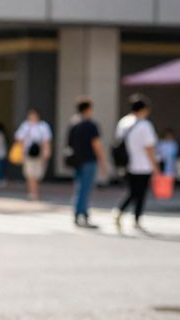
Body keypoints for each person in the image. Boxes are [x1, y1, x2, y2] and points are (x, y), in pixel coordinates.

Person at [113, 94, 158, 232]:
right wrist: (155, 166)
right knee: (140, 193)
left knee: (132, 191)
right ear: (143, 109)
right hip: (143, 165)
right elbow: (149, 148)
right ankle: (136, 218)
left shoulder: (123, 122)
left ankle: (120, 211)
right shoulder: (145, 125)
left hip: (127, 163)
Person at [66, 98, 104, 229]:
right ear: (88, 109)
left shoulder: (73, 123)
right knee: (85, 189)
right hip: (89, 160)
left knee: (79, 188)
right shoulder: (90, 124)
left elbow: (68, 144)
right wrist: (103, 161)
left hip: (76, 160)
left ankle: (81, 214)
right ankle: (81, 215)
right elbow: (97, 145)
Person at [14, 109, 52, 201]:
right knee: (30, 174)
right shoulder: (25, 126)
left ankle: (34, 191)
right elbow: (19, 139)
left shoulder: (43, 126)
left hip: (39, 153)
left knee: (38, 174)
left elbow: (46, 141)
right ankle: (33, 193)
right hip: (28, 153)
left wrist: (47, 151)